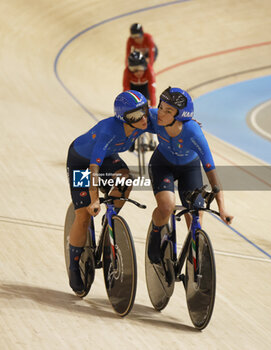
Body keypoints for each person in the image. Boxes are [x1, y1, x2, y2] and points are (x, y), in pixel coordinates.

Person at [66, 90, 150, 296]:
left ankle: (110, 221)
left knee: (125, 180)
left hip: (107, 156)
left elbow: (169, 121)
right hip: (82, 164)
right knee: (84, 215)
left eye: (144, 111)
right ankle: (74, 264)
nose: (143, 118)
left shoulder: (144, 119)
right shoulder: (108, 131)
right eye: (135, 116)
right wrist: (94, 200)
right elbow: (93, 169)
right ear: (124, 118)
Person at [147, 87, 234, 264]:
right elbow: (129, 119)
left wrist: (222, 208)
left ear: (180, 116)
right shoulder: (154, 117)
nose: (161, 113)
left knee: (196, 212)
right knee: (166, 206)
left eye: (168, 111)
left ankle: (193, 251)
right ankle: (155, 234)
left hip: (189, 169)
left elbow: (212, 173)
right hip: (162, 165)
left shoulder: (193, 133)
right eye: (161, 107)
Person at [123, 50, 157, 151]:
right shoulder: (127, 72)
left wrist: (153, 104)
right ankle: (131, 138)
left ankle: (152, 139)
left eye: (140, 68)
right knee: (131, 113)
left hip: (145, 88)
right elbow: (126, 89)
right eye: (134, 69)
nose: (137, 72)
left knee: (149, 112)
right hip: (133, 88)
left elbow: (152, 89)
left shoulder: (149, 71)